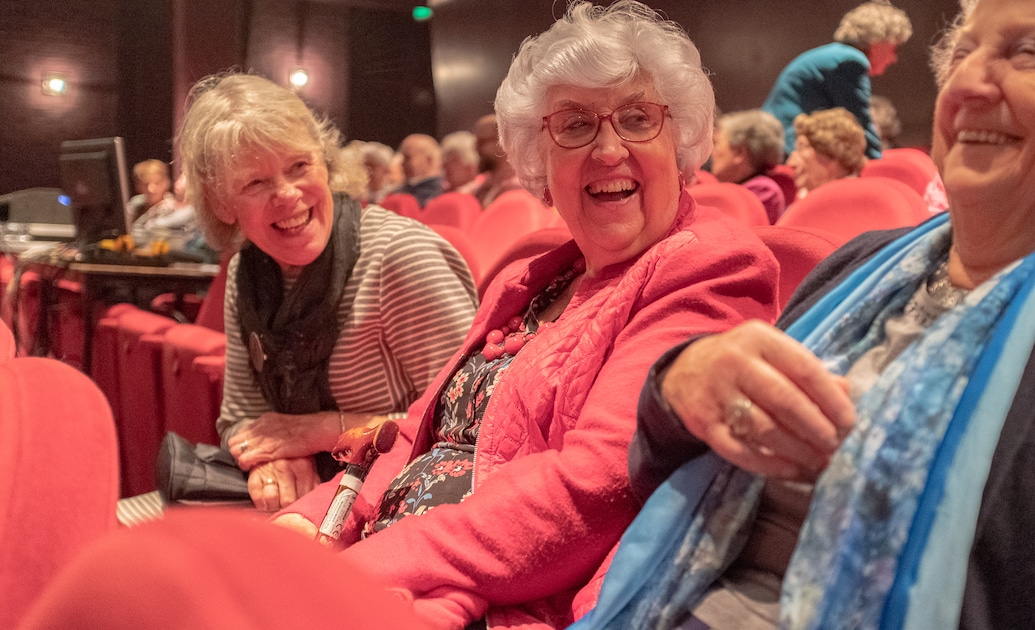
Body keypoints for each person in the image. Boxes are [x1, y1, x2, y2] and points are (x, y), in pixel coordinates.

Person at [579, 0, 1035, 627]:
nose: (968, 84)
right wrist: (680, 389)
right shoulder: (859, 267)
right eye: (962, 53)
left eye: (1029, 53)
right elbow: (657, 472)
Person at [271, 1, 779, 627]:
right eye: (574, 126)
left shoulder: (709, 266)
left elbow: (594, 490)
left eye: (638, 118)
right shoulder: (528, 280)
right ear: (540, 163)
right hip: (400, 559)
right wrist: (315, 520)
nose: (609, 148)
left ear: (681, 145)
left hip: (501, 599)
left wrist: (353, 570)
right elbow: (416, 438)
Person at [178, 73, 479, 512]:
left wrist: (320, 432)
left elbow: (469, 427)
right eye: (255, 183)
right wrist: (275, 462)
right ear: (222, 202)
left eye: (299, 166)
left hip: (405, 506)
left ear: (327, 163)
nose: (287, 195)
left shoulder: (399, 257)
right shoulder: (248, 269)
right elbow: (241, 419)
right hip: (300, 504)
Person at [761, 1, 911, 158]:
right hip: (788, 146)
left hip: (776, 141)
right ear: (880, 39)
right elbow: (859, 124)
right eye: (895, 48)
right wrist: (878, 164)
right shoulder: (851, 61)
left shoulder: (835, 55)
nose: (894, 58)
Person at [710, 109, 787, 223]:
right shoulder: (734, 186)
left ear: (739, 153)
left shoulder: (764, 191)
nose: (712, 152)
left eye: (717, 144)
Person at [787, 107, 867, 199]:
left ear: (833, 152)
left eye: (802, 148)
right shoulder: (803, 197)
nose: (790, 162)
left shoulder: (860, 202)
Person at [467, 113, 523, 207]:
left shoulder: (518, 187)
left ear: (502, 142)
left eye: (481, 142)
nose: (476, 149)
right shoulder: (487, 184)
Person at [392, 133, 445, 207]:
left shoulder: (439, 193)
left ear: (429, 160)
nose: (402, 163)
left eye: (408, 158)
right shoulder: (400, 190)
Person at [125, 158, 174, 226]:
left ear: (166, 183)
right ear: (138, 186)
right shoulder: (135, 205)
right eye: (146, 184)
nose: (151, 189)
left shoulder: (173, 207)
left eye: (157, 183)